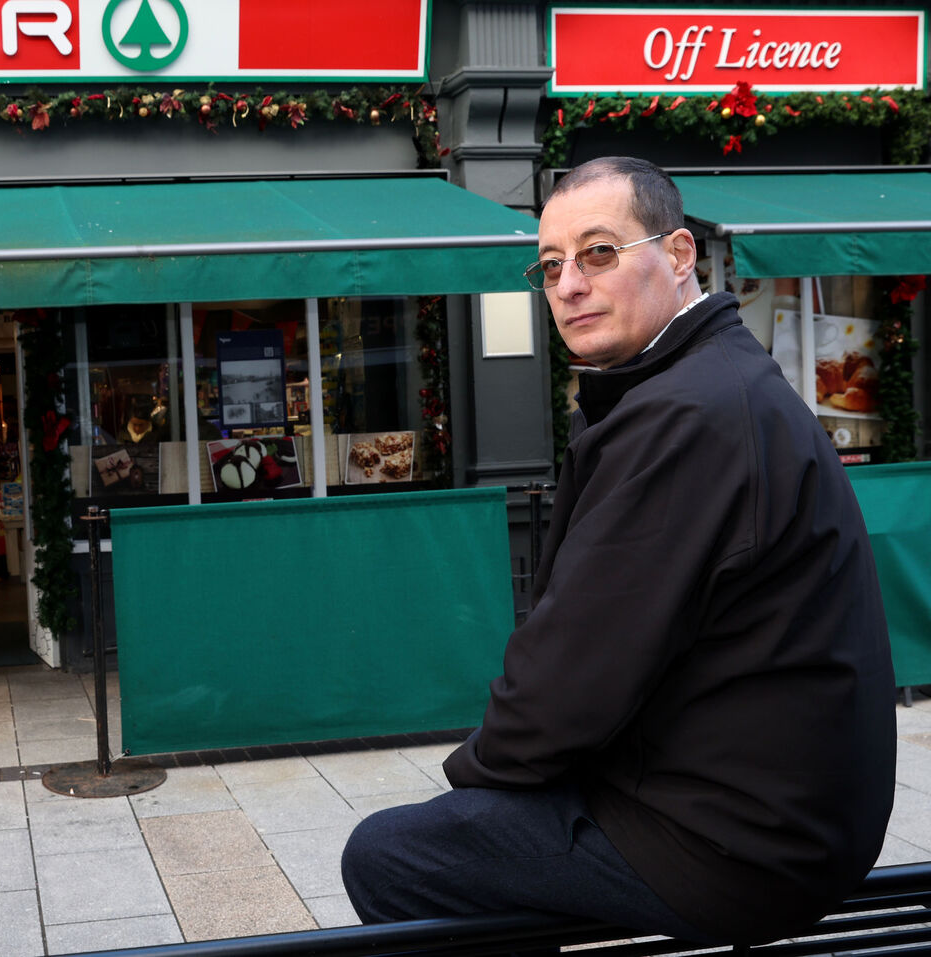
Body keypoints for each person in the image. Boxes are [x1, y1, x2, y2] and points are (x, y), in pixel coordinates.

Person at [340, 156, 896, 946]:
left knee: (392, 854)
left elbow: (568, 682)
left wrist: (470, 785)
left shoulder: (687, 414)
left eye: (599, 252)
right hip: (775, 820)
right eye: (551, 264)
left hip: (738, 849)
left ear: (677, 257)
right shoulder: (706, 381)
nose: (569, 284)